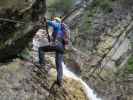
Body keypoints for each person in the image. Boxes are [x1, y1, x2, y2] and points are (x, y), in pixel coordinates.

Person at [37, 16, 69, 86]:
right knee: (59, 64)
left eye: (54, 20)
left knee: (41, 49)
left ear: (56, 21)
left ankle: (42, 64)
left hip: (57, 45)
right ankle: (59, 80)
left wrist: (47, 21)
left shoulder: (58, 24)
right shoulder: (63, 30)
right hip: (62, 48)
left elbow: (53, 24)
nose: (54, 21)